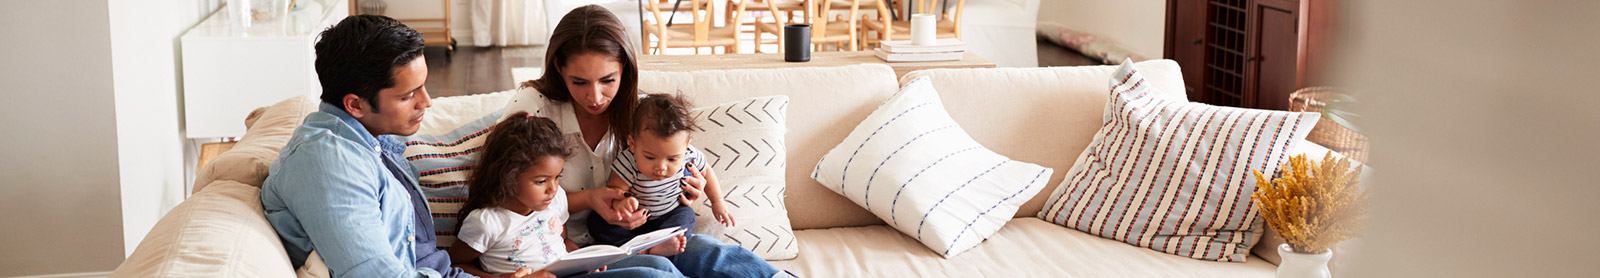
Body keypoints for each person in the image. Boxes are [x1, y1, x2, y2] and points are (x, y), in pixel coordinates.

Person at [501, 5, 790, 278]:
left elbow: (677, 166)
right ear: (558, 67)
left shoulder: (643, 117)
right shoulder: (533, 109)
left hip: (641, 238)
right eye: (579, 82)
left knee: (712, 253)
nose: (596, 97)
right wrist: (589, 199)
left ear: (624, 69)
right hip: (568, 253)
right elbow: (504, 195)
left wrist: (691, 188)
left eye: (607, 80)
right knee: (654, 271)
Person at [260, 15, 472, 277]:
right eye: (407, 96)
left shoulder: (373, 139)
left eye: (423, 86)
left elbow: (422, 258)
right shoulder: (328, 161)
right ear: (356, 105)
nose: (426, 102)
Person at [447, 112, 683, 278]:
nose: (553, 188)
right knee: (650, 275)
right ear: (507, 176)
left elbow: (561, 239)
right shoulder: (487, 222)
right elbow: (455, 264)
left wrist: (583, 257)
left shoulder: (553, 200)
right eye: (541, 181)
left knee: (656, 264)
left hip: (574, 272)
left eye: (557, 177)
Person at [588, 94, 735, 252]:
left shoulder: (690, 155)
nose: (661, 167)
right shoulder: (629, 161)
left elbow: (706, 171)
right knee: (596, 222)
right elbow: (614, 191)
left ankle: (662, 244)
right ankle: (640, 248)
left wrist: (717, 201)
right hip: (633, 222)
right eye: (650, 157)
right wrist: (621, 205)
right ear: (633, 144)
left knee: (686, 215)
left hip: (669, 215)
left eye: (672, 159)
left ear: (686, 147)